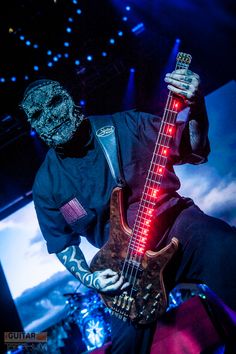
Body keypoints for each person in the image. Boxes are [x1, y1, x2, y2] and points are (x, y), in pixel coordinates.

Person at [20, 69, 236, 353]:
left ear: (71, 98)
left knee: (226, 247)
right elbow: (61, 243)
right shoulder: (46, 185)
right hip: (126, 270)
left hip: (179, 229)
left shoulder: (123, 125)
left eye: (54, 103)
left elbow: (194, 149)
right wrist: (90, 277)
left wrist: (196, 106)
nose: (49, 117)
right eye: (37, 115)